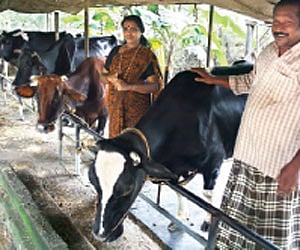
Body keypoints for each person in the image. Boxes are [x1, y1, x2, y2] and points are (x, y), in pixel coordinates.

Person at [191, 0, 300, 249]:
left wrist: (295, 167)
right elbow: (250, 81)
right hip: (247, 157)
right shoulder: (269, 51)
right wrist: (213, 79)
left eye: (288, 22)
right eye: (276, 21)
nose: (279, 27)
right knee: (240, 234)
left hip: (278, 168)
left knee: (271, 240)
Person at [101, 15, 163, 138]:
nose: (129, 32)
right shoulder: (115, 51)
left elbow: (155, 86)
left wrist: (129, 86)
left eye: (133, 29)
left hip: (136, 110)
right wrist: (110, 78)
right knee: (116, 143)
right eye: (126, 29)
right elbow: (102, 75)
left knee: (134, 142)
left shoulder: (146, 56)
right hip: (115, 107)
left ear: (141, 31)